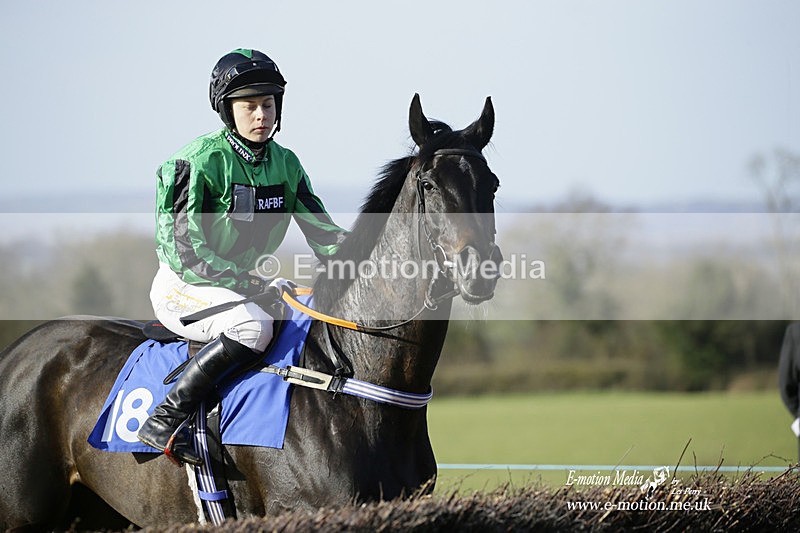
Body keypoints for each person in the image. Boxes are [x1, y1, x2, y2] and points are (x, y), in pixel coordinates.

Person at [137, 48, 346, 466]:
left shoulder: (287, 164)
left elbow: (325, 235)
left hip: (244, 284)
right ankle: (164, 421)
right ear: (227, 111)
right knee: (253, 328)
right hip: (185, 287)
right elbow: (186, 254)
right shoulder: (194, 162)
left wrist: (376, 259)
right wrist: (253, 284)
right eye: (249, 106)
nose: (260, 115)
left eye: (267, 105)